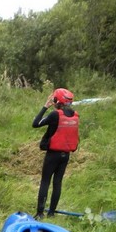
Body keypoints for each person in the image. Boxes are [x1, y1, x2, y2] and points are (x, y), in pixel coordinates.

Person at [34, 88, 79, 219]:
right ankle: (52, 213)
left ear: (56, 101)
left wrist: (45, 107)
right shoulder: (75, 115)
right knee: (57, 182)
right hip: (65, 155)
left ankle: (40, 213)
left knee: (45, 182)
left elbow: (35, 123)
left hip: (52, 155)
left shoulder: (55, 115)